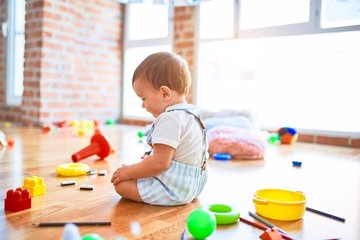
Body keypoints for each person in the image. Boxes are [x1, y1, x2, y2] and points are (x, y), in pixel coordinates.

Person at [111, 51, 209, 206]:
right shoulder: (192, 115)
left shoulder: (169, 118)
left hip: (175, 189)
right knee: (142, 170)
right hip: (195, 186)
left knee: (121, 186)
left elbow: (159, 164)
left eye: (143, 98)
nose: (142, 105)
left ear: (165, 93)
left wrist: (128, 171)